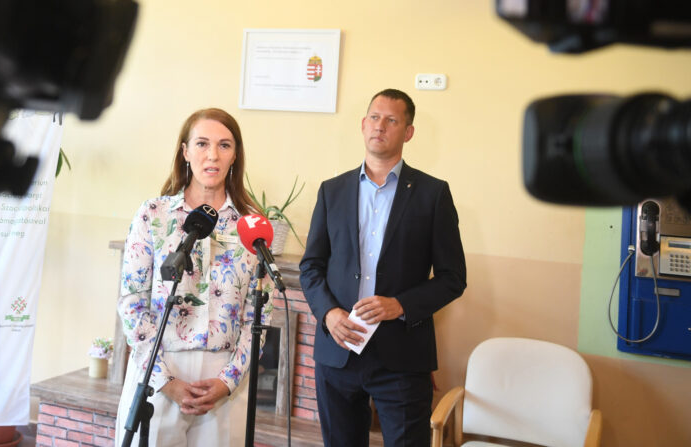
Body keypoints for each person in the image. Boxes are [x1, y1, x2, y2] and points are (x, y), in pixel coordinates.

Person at [299, 89, 466, 446]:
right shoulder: (332, 191)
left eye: (392, 120)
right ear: (363, 125)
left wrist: (400, 305)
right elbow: (311, 266)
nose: (380, 126)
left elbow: (453, 278)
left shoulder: (433, 194)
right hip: (338, 352)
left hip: (402, 357)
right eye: (374, 117)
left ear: (408, 132)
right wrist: (329, 313)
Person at [115, 108, 272, 447]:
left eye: (224, 145)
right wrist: (165, 380)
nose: (212, 155)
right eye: (202, 143)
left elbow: (258, 317)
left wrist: (228, 381)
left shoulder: (251, 226)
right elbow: (132, 302)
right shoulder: (153, 215)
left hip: (224, 382)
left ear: (235, 155)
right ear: (185, 151)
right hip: (158, 372)